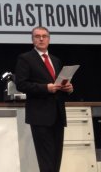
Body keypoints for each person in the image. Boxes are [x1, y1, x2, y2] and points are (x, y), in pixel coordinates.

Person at [15, 27, 73, 172]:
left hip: (58, 115)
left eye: (44, 36)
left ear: (49, 39)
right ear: (32, 40)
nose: (41, 39)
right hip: (40, 116)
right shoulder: (25, 58)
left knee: (56, 159)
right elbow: (21, 84)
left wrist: (68, 88)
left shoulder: (56, 60)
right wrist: (45, 88)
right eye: (37, 36)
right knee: (46, 160)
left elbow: (58, 85)